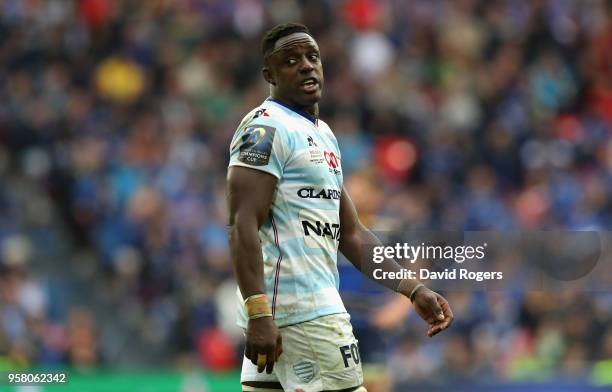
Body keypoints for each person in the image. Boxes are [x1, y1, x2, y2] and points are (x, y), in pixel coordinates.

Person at [226, 23, 453, 392]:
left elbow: (350, 232)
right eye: (291, 60)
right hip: (304, 313)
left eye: (312, 57)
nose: (306, 66)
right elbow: (241, 224)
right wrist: (258, 313)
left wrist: (412, 289)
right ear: (269, 74)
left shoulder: (324, 135)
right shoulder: (265, 128)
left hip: (294, 314)